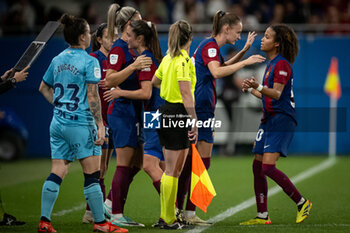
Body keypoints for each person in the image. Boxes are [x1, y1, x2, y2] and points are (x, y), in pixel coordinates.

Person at [37, 13, 128, 233]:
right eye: (88, 31)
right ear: (81, 37)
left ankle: (44, 221)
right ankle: (100, 223)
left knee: (57, 170)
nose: (90, 34)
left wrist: (60, 107)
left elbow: (43, 88)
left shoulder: (57, 59)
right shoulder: (90, 61)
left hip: (58, 124)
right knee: (92, 175)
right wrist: (99, 124)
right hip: (81, 124)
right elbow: (93, 95)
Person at [176, 10, 265, 225]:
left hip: (201, 109)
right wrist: (245, 63)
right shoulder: (209, 46)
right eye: (238, 32)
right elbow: (217, 72)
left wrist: (243, 51)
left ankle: (180, 209)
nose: (239, 36)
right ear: (226, 28)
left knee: (192, 163)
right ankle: (187, 212)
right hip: (202, 111)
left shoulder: (210, 47)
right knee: (200, 164)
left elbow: (221, 67)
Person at [240, 24, 311, 225]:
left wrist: (258, 86)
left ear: (277, 44)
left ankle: (302, 202)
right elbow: (268, 96)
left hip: (282, 119)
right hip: (269, 118)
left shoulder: (281, 64)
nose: (263, 39)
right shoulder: (272, 64)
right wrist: (252, 90)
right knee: (257, 165)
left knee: (268, 167)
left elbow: (277, 94)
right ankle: (262, 215)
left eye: (268, 37)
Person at [103, 20, 165, 206]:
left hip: (153, 116)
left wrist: (119, 91)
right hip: (157, 114)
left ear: (140, 38)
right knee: (160, 166)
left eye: (129, 35)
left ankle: (174, 210)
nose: (125, 38)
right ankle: (109, 204)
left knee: (150, 165)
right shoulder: (148, 56)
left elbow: (146, 93)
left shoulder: (145, 59)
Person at [103, 3, 152, 227]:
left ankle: (110, 201)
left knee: (139, 163)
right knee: (124, 163)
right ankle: (116, 213)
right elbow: (109, 80)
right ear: (129, 22)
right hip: (121, 111)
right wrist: (133, 68)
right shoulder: (119, 48)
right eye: (139, 18)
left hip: (134, 111)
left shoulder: (134, 48)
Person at [152, 19, 196, 230]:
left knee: (174, 170)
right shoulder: (183, 61)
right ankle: (168, 219)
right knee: (172, 170)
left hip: (165, 110)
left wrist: (168, 88)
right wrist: (194, 121)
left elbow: (155, 81)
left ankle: (166, 216)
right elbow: (187, 94)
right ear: (190, 38)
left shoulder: (168, 58)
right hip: (178, 113)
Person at [82, 22, 115, 224]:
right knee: (98, 167)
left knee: (104, 168)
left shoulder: (114, 59)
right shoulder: (94, 58)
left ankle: (92, 211)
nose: (113, 39)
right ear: (99, 39)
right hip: (98, 119)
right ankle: (92, 212)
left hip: (110, 117)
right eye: (109, 36)